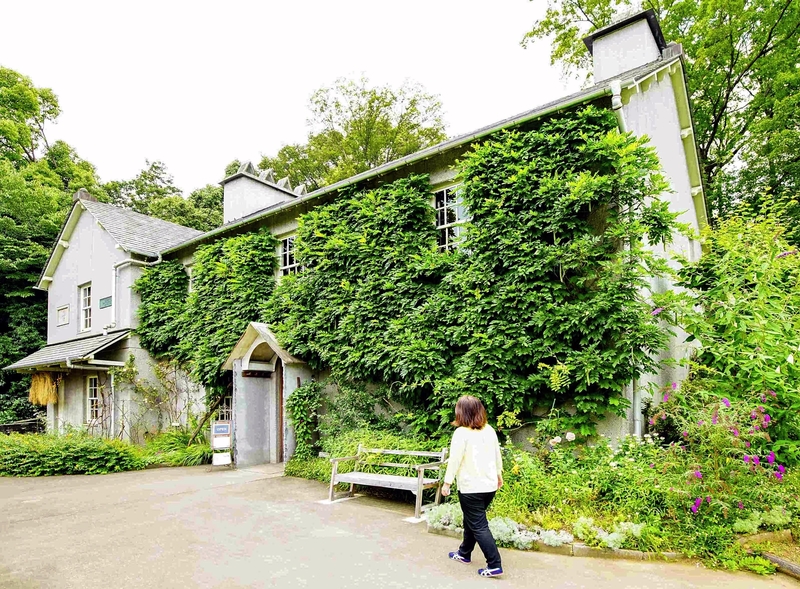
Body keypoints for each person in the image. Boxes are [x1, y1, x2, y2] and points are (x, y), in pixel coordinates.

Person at [441, 395, 504, 578]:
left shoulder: (461, 433)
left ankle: (494, 564)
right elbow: (497, 454)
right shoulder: (489, 429)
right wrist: (498, 474)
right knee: (472, 520)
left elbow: (455, 460)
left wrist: (447, 483)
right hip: (489, 486)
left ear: (461, 412)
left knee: (479, 525)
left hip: (471, 488)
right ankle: (464, 553)